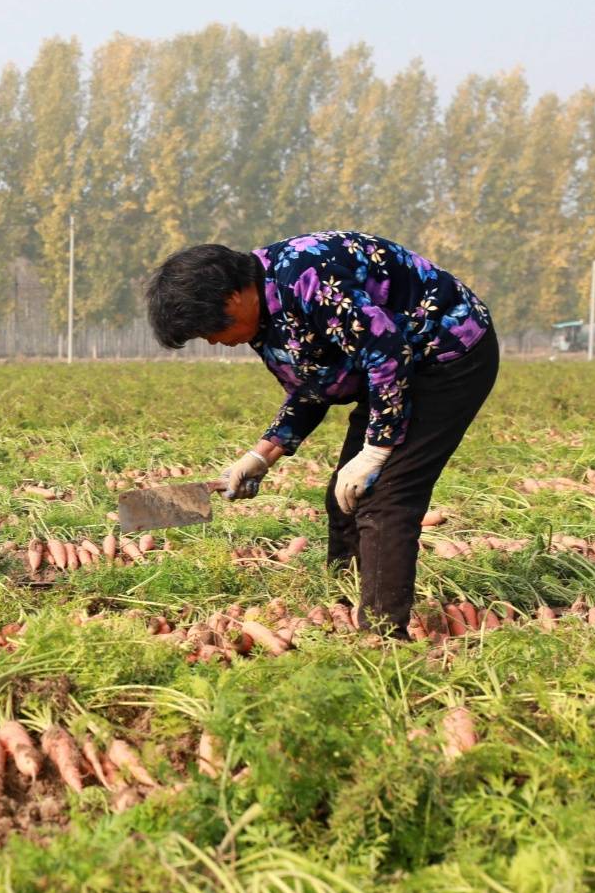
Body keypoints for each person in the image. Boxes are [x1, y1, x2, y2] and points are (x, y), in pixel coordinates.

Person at [144, 231, 498, 637]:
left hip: (446, 356)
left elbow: (387, 353)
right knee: (344, 496)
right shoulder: (265, 313)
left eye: (210, 329)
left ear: (233, 297)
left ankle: (383, 637)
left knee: (384, 496)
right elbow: (316, 386)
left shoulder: (309, 279)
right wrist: (262, 455)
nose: (213, 341)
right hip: (392, 372)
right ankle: (342, 601)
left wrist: (377, 450)